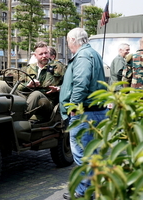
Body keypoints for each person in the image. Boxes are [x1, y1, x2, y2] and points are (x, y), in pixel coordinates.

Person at [59, 28, 108, 199]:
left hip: (85, 113)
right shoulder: (92, 53)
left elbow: (81, 83)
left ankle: (84, 192)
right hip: (95, 112)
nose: (68, 45)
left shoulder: (82, 56)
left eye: (68, 42)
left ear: (72, 40)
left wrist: (72, 107)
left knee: (83, 155)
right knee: (92, 155)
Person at [0, 41, 66, 118]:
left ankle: (21, 119)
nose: (44, 56)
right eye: (41, 54)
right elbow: (18, 86)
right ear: (35, 55)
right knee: (2, 87)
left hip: (47, 100)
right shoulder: (28, 68)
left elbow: (70, 85)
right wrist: (28, 85)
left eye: (46, 53)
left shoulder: (59, 67)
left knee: (36, 94)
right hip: (26, 97)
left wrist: (59, 88)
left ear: (49, 53)